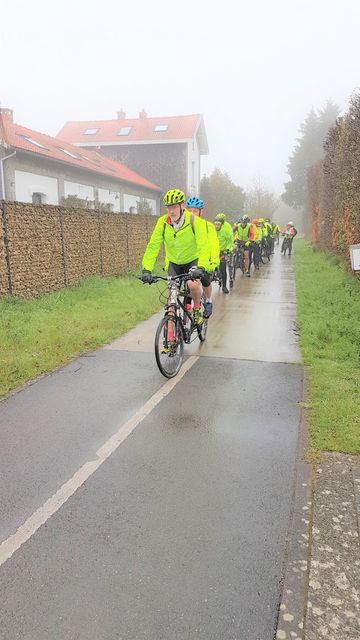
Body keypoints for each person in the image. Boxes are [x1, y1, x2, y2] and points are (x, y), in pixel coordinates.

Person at [141, 189, 209, 325]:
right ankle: (170, 342)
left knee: (193, 284)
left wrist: (201, 266)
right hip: (174, 263)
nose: (171, 211)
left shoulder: (194, 221)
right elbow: (153, 246)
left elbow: (203, 246)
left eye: (174, 207)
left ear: (182, 206)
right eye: (168, 207)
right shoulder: (163, 223)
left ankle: (196, 309)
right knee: (171, 302)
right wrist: (146, 269)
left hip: (192, 261)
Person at [186, 196, 219, 318]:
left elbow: (213, 244)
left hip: (204, 259)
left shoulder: (207, 226)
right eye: (189, 210)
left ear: (201, 212)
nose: (192, 213)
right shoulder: (184, 226)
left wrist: (213, 262)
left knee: (204, 279)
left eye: (195, 210)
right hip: (189, 259)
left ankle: (208, 301)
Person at [213, 213, 234, 293]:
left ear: (221, 225)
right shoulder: (212, 231)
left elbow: (230, 241)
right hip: (214, 252)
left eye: (218, 224)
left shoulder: (225, 231)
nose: (217, 226)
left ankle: (224, 286)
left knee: (223, 268)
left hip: (222, 252)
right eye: (215, 224)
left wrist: (228, 249)